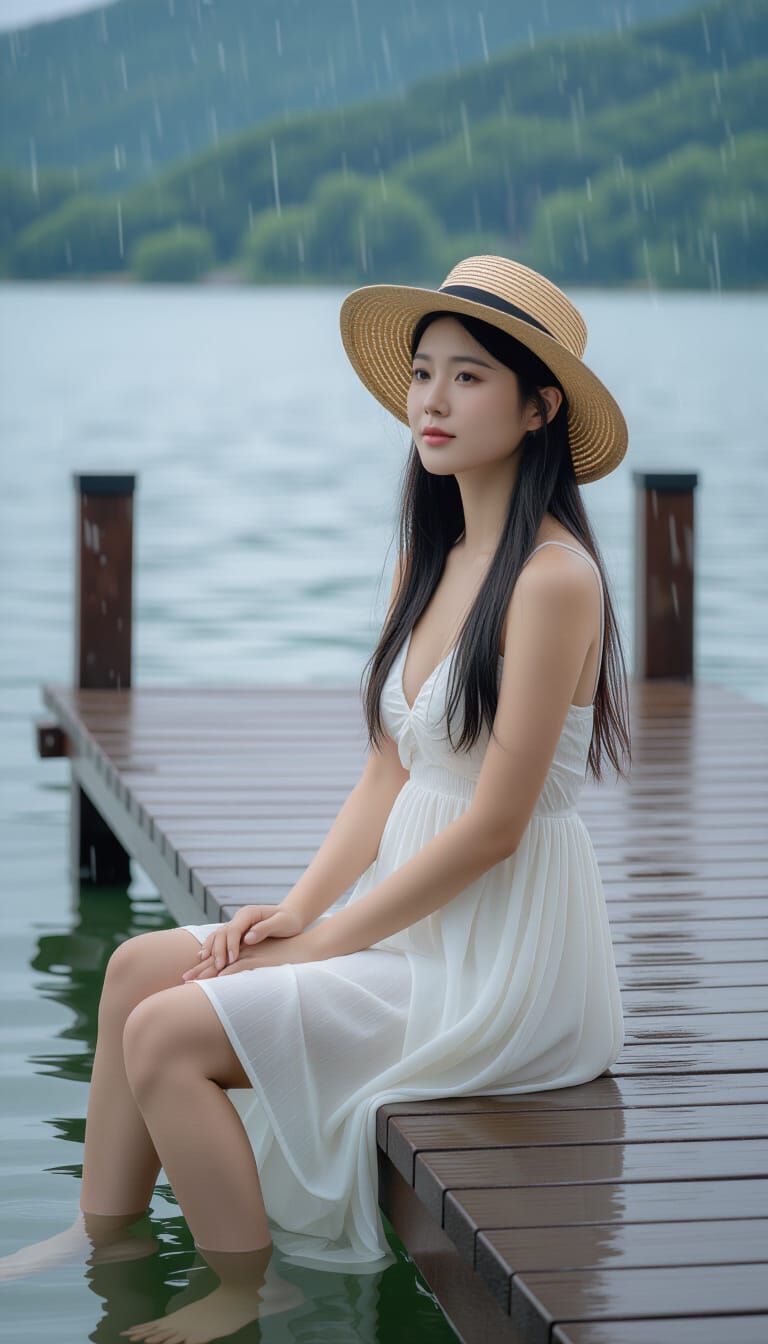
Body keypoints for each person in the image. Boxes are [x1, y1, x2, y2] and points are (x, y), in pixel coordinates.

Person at [0, 254, 631, 1342]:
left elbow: (491, 827)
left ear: (539, 408)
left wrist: (329, 943)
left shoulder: (555, 577)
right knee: (135, 967)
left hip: (501, 957)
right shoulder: (430, 559)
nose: (430, 400)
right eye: (423, 373)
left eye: (468, 378)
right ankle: (102, 1234)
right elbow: (390, 770)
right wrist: (295, 911)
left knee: (167, 1035)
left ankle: (250, 1288)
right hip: (414, 918)